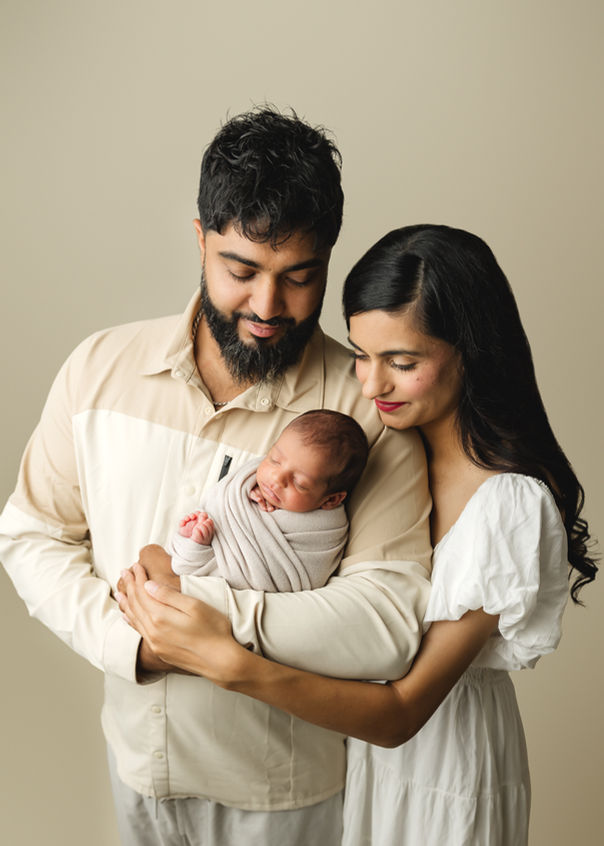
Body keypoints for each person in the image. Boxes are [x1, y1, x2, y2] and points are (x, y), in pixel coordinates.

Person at [0, 109, 432, 845]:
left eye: (300, 278)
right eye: (241, 271)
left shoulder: (365, 411)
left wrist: (213, 621)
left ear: (328, 257)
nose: (268, 308)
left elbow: (388, 621)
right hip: (136, 768)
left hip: (286, 795)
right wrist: (132, 643)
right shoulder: (99, 369)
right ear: (200, 239)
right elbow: (31, 534)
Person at [118, 224, 597, 845]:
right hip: (363, 765)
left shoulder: (508, 502)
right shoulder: (370, 458)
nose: (371, 387)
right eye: (361, 356)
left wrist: (233, 663)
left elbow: (402, 713)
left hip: (444, 772)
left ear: (470, 351)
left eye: (403, 363)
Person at [167, 409, 368, 591]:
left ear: (331, 500)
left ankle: (195, 552)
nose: (276, 479)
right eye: (274, 459)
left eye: (299, 483)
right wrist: (244, 491)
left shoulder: (323, 530)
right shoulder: (248, 481)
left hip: (242, 587)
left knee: (194, 567)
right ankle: (194, 545)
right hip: (212, 555)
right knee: (199, 532)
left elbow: (292, 580)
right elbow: (222, 499)